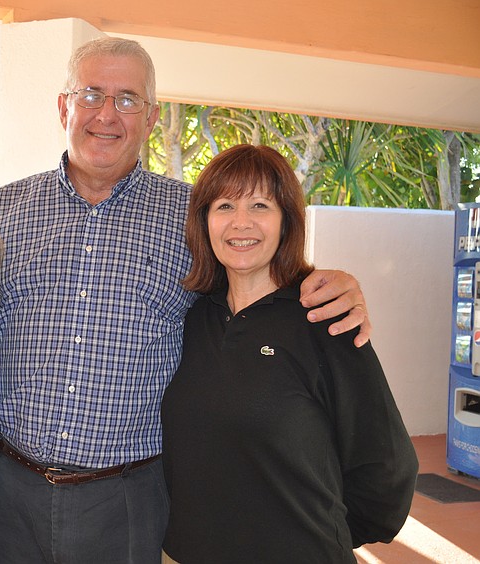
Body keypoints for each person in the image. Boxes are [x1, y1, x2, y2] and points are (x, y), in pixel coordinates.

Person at [0, 37, 372, 563]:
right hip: (9, 488)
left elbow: (258, 278)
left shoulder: (190, 216)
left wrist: (326, 281)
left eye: (127, 100)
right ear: (63, 106)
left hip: (127, 496)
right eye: (91, 95)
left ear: (150, 116)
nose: (106, 115)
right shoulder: (2, 210)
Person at [161, 144, 417, 563]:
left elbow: (387, 463)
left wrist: (325, 534)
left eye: (260, 205)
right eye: (224, 205)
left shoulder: (324, 320)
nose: (240, 223)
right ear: (204, 221)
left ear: (286, 221)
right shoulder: (191, 318)